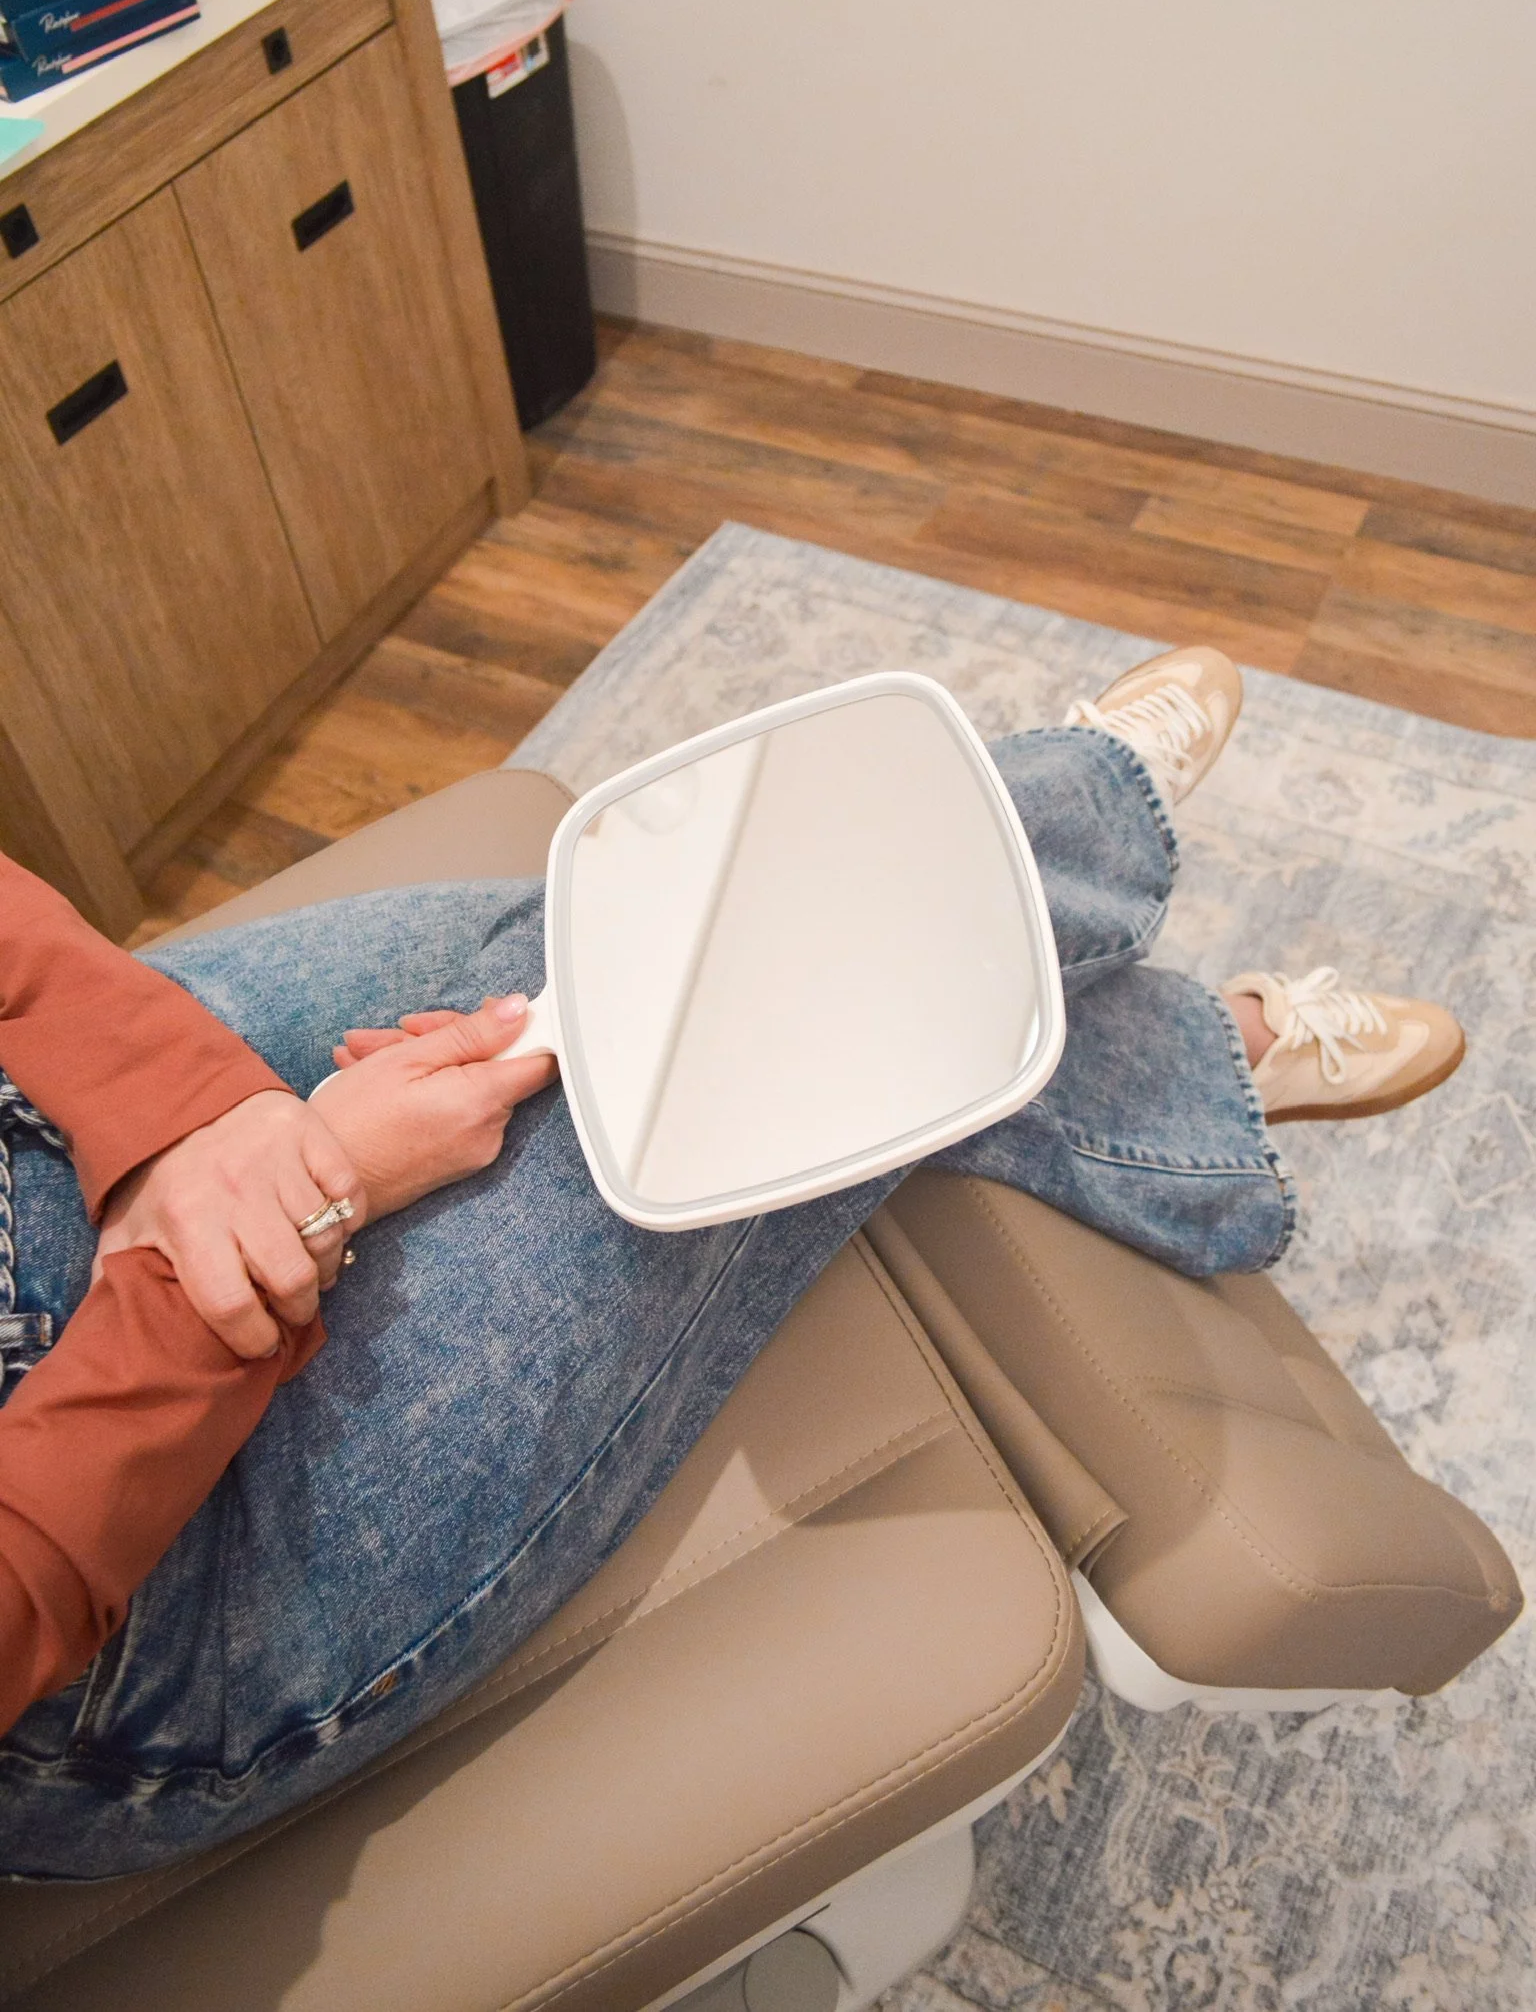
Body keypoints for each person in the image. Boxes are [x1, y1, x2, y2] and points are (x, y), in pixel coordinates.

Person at [0, 649, 1464, 1881]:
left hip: (25, 1134)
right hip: (130, 1582)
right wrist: (297, 1198)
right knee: (703, 1054)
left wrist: (179, 1114)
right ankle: (1090, 864)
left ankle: (1060, 872)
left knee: (583, 950)